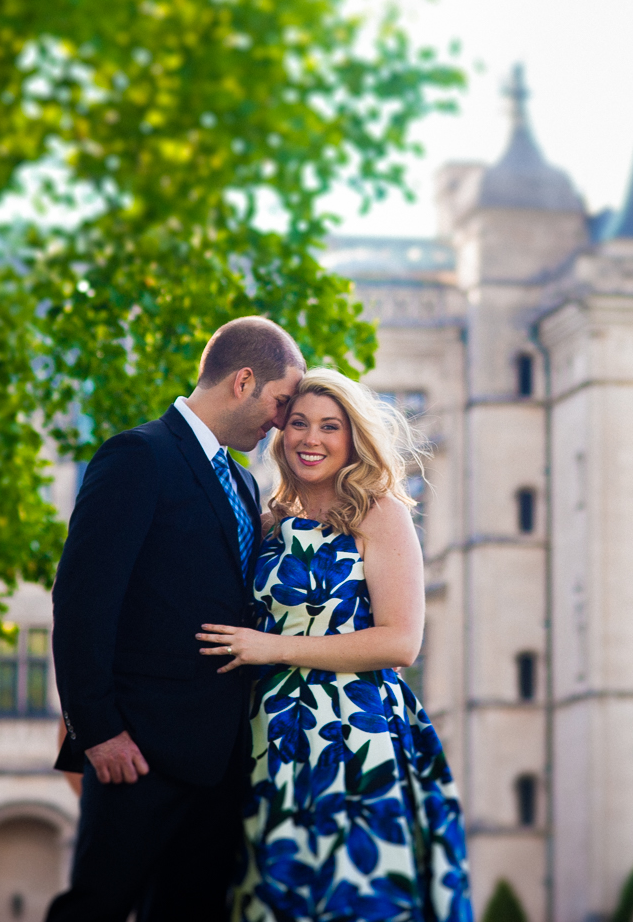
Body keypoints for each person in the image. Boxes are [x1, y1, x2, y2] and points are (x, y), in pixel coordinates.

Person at [46, 317, 306, 922]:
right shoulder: (139, 455)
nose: (281, 420)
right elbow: (82, 600)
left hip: (219, 765)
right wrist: (97, 730)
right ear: (244, 381)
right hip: (136, 754)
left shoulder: (243, 482)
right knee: (96, 909)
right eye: (280, 401)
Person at [196, 369, 472, 921]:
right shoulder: (265, 522)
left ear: (353, 439)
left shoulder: (381, 514)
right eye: (298, 423)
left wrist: (272, 649)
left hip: (354, 732)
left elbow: (400, 642)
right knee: (274, 891)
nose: (310, 439)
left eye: (329, 426)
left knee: (355, 889)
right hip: (268, 735)